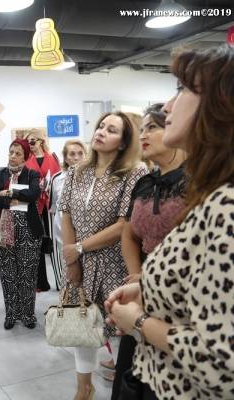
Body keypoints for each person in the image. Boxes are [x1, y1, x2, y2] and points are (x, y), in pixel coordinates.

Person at [107, 44, 234, 400]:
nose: (167, 106)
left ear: (221, 105)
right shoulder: (212, 193)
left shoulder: (226, 205)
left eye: (183, 89)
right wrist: (147, 288)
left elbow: (221, 366)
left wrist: (139, 321)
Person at [59, 111, 147, 400]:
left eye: (111, 130)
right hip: (79, 262)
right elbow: (66, 214)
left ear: (123, 142)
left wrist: (80, 248)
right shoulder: (76, 171)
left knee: (121, 329)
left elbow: (124, 225)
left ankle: (126, 391)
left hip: (115, 262)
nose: (101, 132)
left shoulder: (134, 172)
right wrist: (72, 259)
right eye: (101, 126)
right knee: (82, 328)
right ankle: (83, 388)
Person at [109, 103, 188, 398]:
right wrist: (137, 275)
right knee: (134, 375)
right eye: (141, 129)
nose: (143, 135)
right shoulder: (144, 183)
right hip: (144, 287)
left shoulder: (198, 181)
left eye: (152, 127)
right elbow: (129, 233)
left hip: (182, 294)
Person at [0, 139, 43, 329]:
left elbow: (34, 194)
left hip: (28, 231)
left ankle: (28, 315)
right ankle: (11, 314)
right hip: (4, 228)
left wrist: (9, 193)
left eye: (18, 153)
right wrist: (11, 198)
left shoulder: (32, 174)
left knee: (27, 274)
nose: (13, 156)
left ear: (25, 157)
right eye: (11, 152)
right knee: (8, 273)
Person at [25, 128, 61, 291]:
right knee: (36, 244)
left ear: (41, 141)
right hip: (34, 206)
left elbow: (59, 179)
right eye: (28, 142)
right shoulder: (26, 160)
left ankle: (60, 280)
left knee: (54, 242)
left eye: (32, 141)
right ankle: (41, 283)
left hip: (50, 205)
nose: (30, 145)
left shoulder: (52, 158)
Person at [48, 139, 87, 290]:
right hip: (63, 235)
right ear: (65, 157)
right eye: (72, 154)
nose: (76, 158)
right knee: (69, 275)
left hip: (86, 235)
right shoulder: (57, 179)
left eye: (80, 153)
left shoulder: (92, 178)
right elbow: (53, 207)